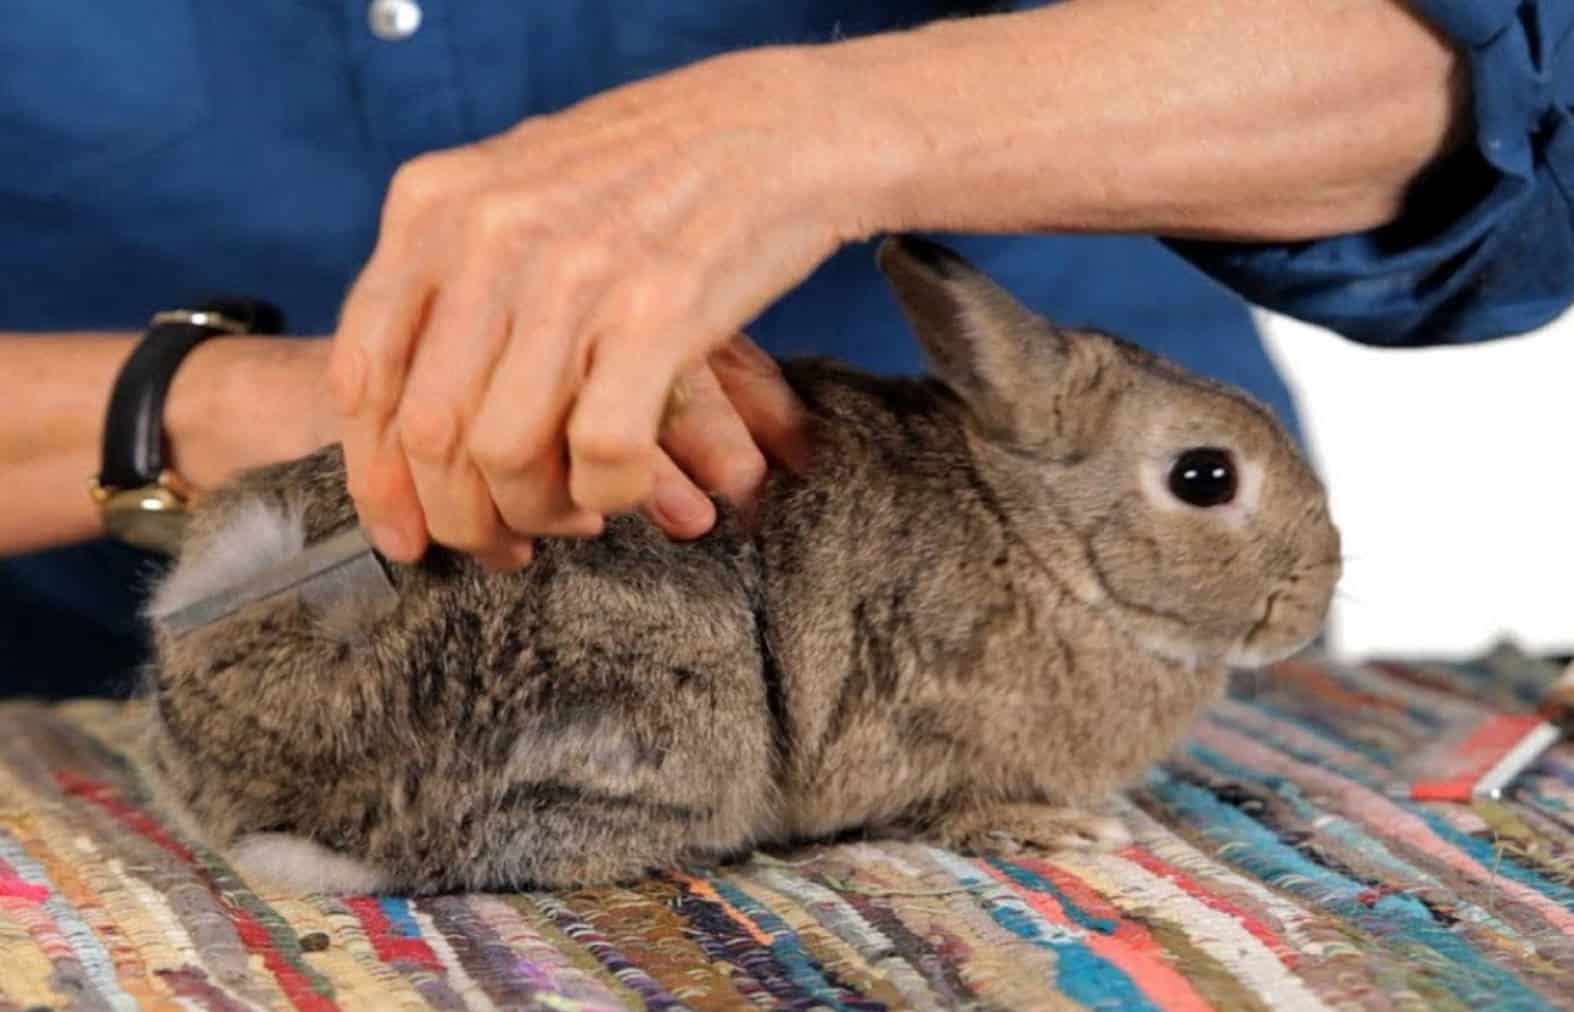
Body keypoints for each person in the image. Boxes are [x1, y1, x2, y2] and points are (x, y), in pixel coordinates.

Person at [1, 0, 1568, 698]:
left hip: (1112, 735)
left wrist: (830, 127)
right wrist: (201, 408)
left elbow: (1494, 76)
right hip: (94, 747)